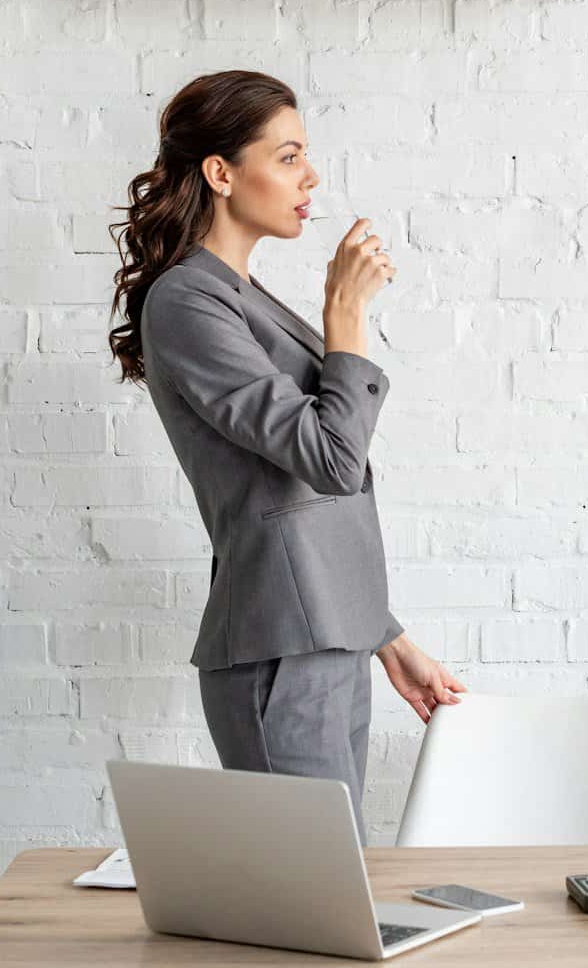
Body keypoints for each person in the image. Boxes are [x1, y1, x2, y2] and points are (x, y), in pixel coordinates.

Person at [108, 69, 465, 844]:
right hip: (277, 653)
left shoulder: (241, 295)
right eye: (290, 155)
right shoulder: (186, 301)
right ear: (222, 172)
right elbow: (332, 459)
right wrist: (345, 313)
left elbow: (300, 503)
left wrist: (385, 635)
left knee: (334, 896)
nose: (311, 177)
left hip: (325, 641)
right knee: (313, 906)